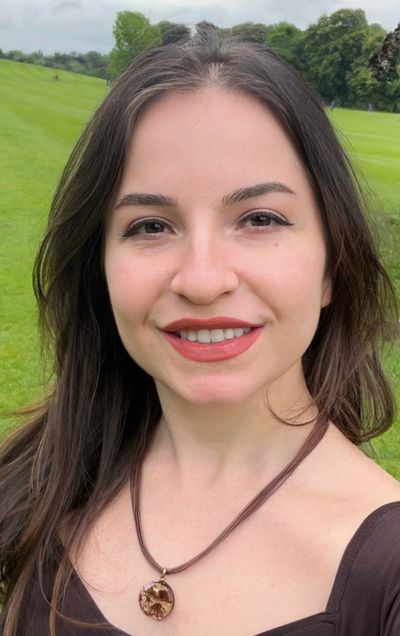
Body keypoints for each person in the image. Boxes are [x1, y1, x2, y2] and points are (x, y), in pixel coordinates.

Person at [1, 30, 400, 636]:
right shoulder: (40, 489)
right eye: (151, 226)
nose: (203, 280)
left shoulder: (386, 576)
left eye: (260, 218)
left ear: (332, 266)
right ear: (99, 269)